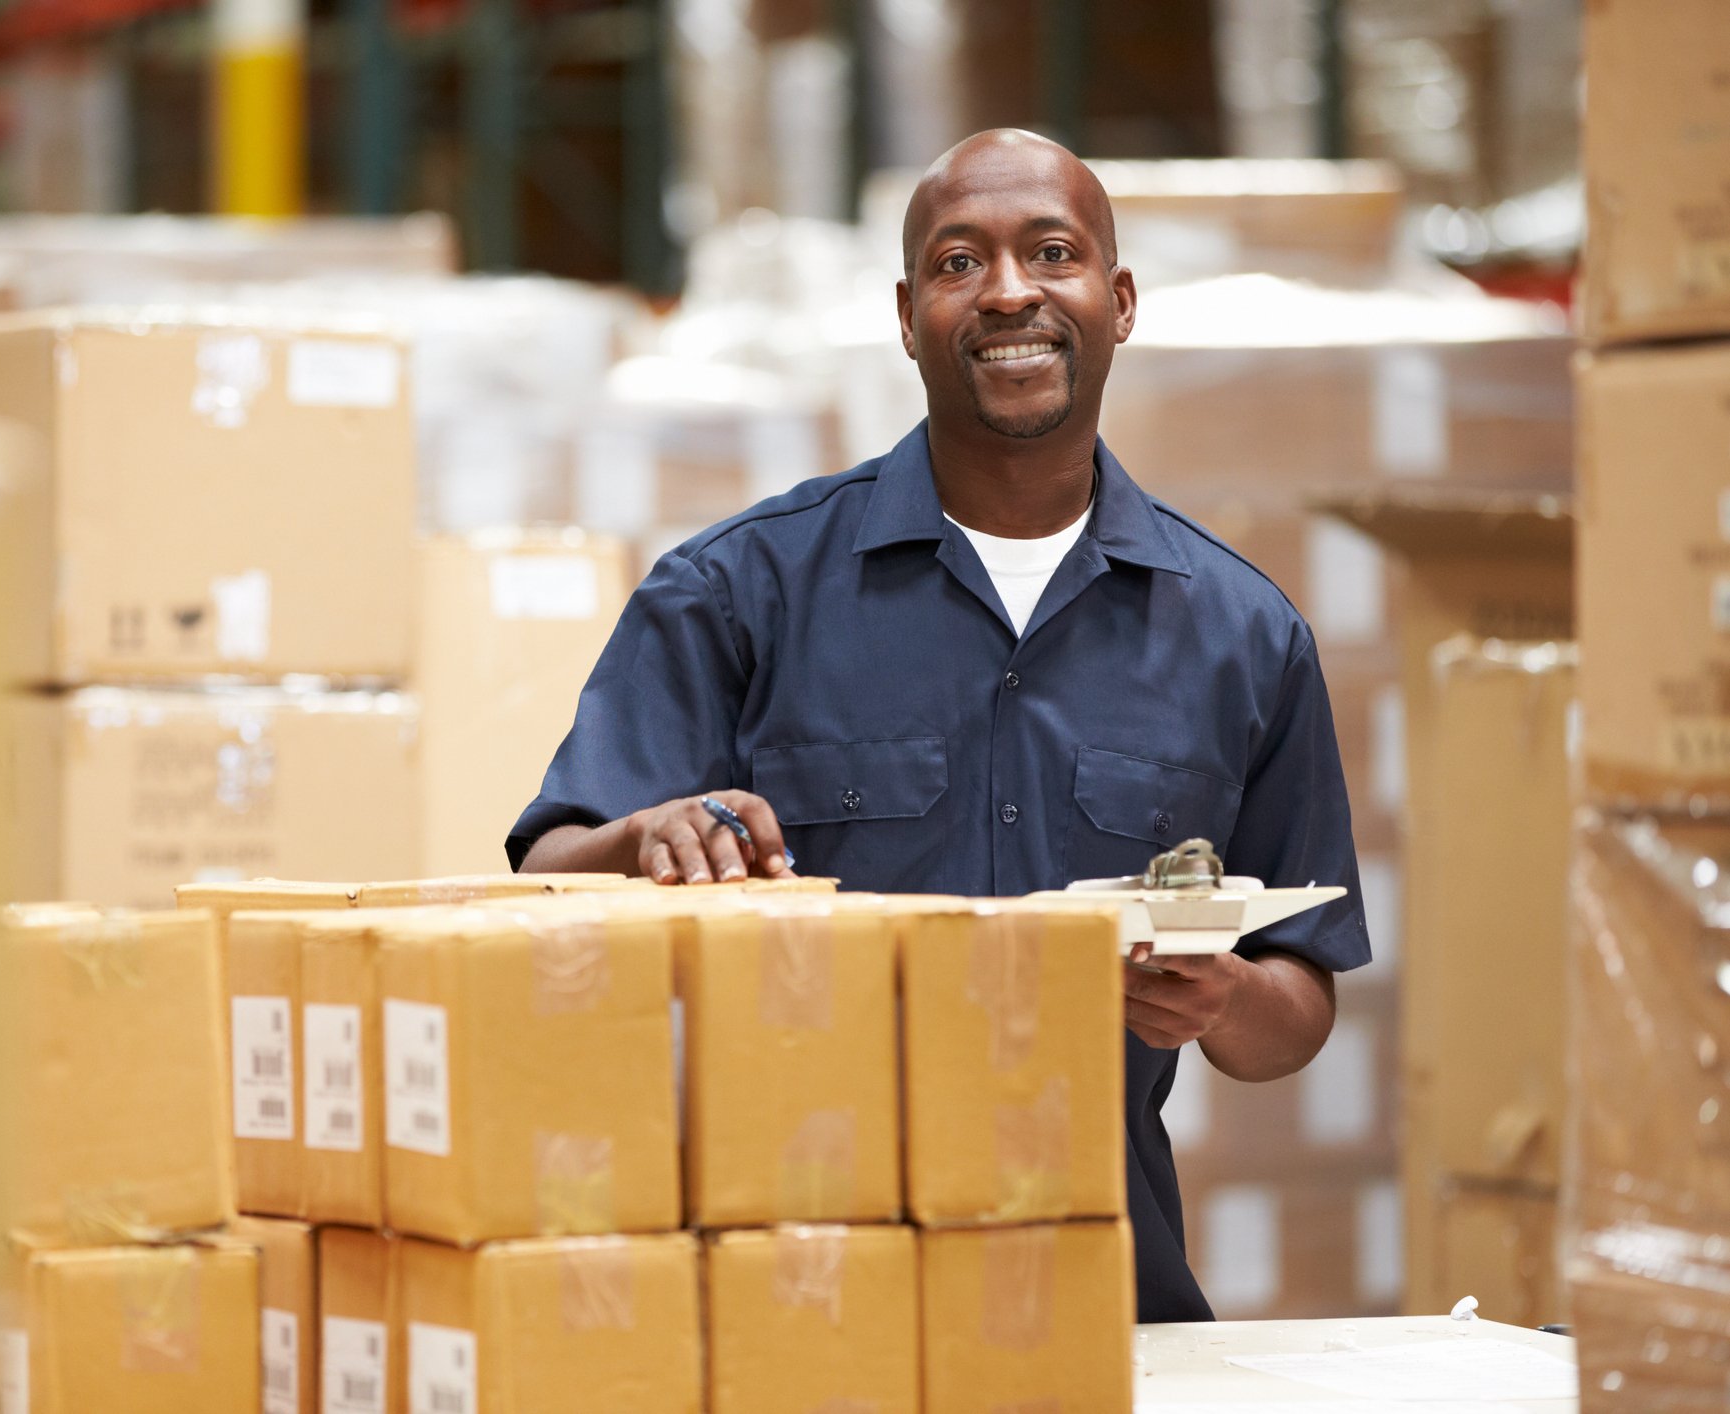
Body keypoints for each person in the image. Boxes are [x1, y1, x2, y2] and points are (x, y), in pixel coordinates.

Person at [507, 128, 1370, 1321]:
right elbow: (546, 877)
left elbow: (1301, 998)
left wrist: (1221, 997)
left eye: (1053, 253)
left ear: (1118, 303)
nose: (1011, 291)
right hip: (795, 1296)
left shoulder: (1243, 635)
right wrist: (645, 837)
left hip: (1101, 1296)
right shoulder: (737, 591)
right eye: (962, 262)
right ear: (909, 317)